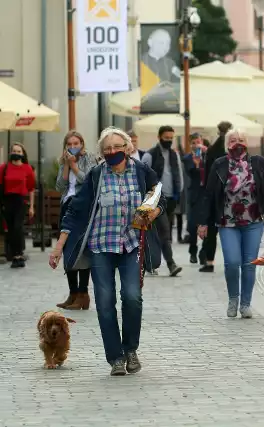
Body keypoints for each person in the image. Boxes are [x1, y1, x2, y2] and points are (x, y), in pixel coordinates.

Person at [48, 127, 166, 376]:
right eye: (107, 148)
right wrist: (59, 246)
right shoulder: (96, 175)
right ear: (102, 152)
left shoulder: (142, 171)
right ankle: (115, 357)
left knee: (132, 297)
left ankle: (130, 349)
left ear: (127, 147)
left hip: (132, 244)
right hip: (101, 246)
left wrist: (152, 212)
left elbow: (159, 196)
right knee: (104, 302)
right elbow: (75, 211)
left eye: (117, 147)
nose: (112, 152)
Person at [198, 128, 264, 318]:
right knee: (232, 262)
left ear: (247, 143)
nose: (237, 143)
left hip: (253, 221)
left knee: (249, 263)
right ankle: (233, 298)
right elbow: (209, 195)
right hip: (227, 222)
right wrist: (203, 222)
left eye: (241, 139)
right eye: (233, 140)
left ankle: (245, 304)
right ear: (227, 144)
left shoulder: (257, 162)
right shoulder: (219, 164)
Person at [55, 131, 98, 310]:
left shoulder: (89, 158)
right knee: (67, 249)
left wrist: (74, 167)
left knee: (81, 249)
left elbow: (88, 181)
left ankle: (83, 294)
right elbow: (59, 186)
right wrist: (66, 165)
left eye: (76, 143)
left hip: (83, 207)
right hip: (67, 205)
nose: (73, 147)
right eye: (69, 144)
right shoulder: (64, 161)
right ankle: (72, 293)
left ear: (82, 143)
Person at [141, 125, 183, 276]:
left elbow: (178, 173)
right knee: (164, 231)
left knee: (161, 232)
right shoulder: (149, 155)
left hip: (171, 199)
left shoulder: (174, 154)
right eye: (166, 138)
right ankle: (171, 264)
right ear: (159, 137)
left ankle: (149, 262)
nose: (169, 141)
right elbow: (143, 178)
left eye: (171, 138)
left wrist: (179, 191)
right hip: (156, 200)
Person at [199, 122, 232, 273]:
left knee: (211, 230)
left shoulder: (212, 150)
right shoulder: (232, 149)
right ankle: (232, 261)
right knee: (230, 230)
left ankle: (209, 261)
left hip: (213, 194)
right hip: (230, 196)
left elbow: (206, 176)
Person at [0, 143, 35, 268]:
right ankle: (14, 256)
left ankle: (19, 254)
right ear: (10, 153)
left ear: (22, 154)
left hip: (21, 201)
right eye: (14, 151)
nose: (16, 153)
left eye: (19, 151)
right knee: (10, 229)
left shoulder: (27, 168)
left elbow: (31, 188)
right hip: (7, 201)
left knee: (17, 227)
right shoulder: (4, 168)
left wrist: (32, 206)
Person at [183, 134, 209, 265]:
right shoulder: (187, 158)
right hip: (194, 197)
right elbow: (190, 172)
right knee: (193, 226)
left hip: (206, 196)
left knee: (207, 225)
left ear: (202, 142)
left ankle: (203, 253)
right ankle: (193, 251)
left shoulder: (208, 156)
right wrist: (196, 164)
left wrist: (204, 156)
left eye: (198, 142)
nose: (196, 145)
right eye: (193, 143)